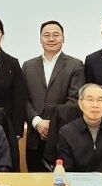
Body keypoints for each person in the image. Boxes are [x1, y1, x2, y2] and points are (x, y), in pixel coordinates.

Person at [22, 20, 85, 169]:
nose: (51, 39)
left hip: (63, 137)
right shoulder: (28, 66)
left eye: (56, 35)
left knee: (62, 180)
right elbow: (23, 99)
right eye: (46, 35)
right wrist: (37, 122)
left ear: (63, 38)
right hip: (34, 138)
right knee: (35, 181)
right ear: (40, 39)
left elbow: (74, 99)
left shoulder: (75, 65)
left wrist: (53, 124)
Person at [55, 83, 102, 172]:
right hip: (78, 180)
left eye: (100, 100)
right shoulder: (67, 132)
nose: (95, 105)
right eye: (90, 100)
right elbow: (66, 170)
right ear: (80, 103)